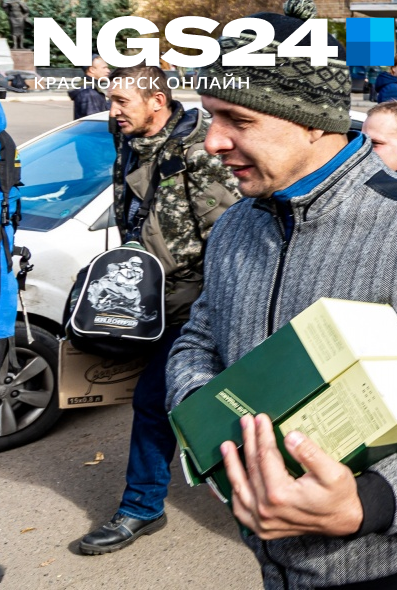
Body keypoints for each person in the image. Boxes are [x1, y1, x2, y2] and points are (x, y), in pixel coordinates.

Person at [167, 0, 397, 589]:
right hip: (275, 557)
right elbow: (200, 335)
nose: (212, 142)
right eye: (210, 117)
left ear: (312, 119)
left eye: (239, 120)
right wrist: (214, 420)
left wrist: (370, 502)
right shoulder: (235, 223)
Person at [79, 65, 240, 555]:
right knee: (158, 404)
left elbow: (231, 235)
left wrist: (221, 314)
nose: (113, 111)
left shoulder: (196, 155)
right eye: (110, 101)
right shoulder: (131, 144)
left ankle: (142, 507)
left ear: (157, 101)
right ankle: (146, 506)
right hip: (154, 301)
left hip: (197, 303)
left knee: (165, 402)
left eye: (121, 101)